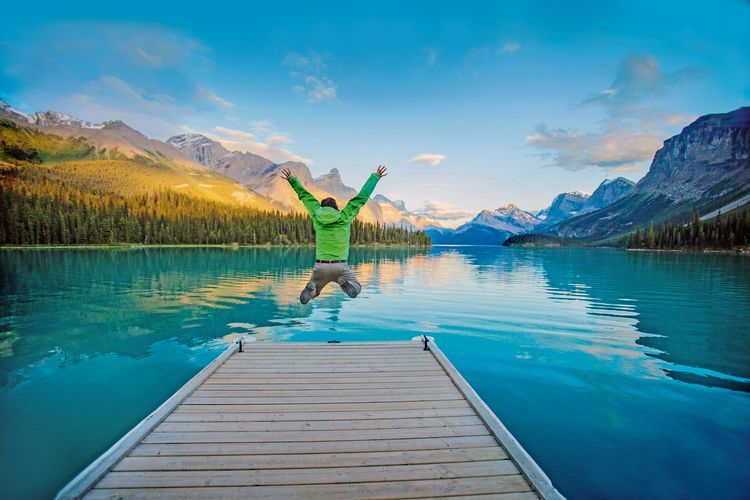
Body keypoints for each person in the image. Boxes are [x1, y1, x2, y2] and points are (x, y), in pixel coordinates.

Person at [281, 165, 388, 304]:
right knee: (357, 288)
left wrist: (292, 180)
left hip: (320, 266)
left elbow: (305, 196)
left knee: (315, 293)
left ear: (321, 207)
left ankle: (311, 289)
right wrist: (375, 177)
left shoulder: (316, 213)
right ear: (336, 208)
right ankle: (347, 285)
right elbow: (361, 198)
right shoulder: (345, 216)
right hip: (341, 267)